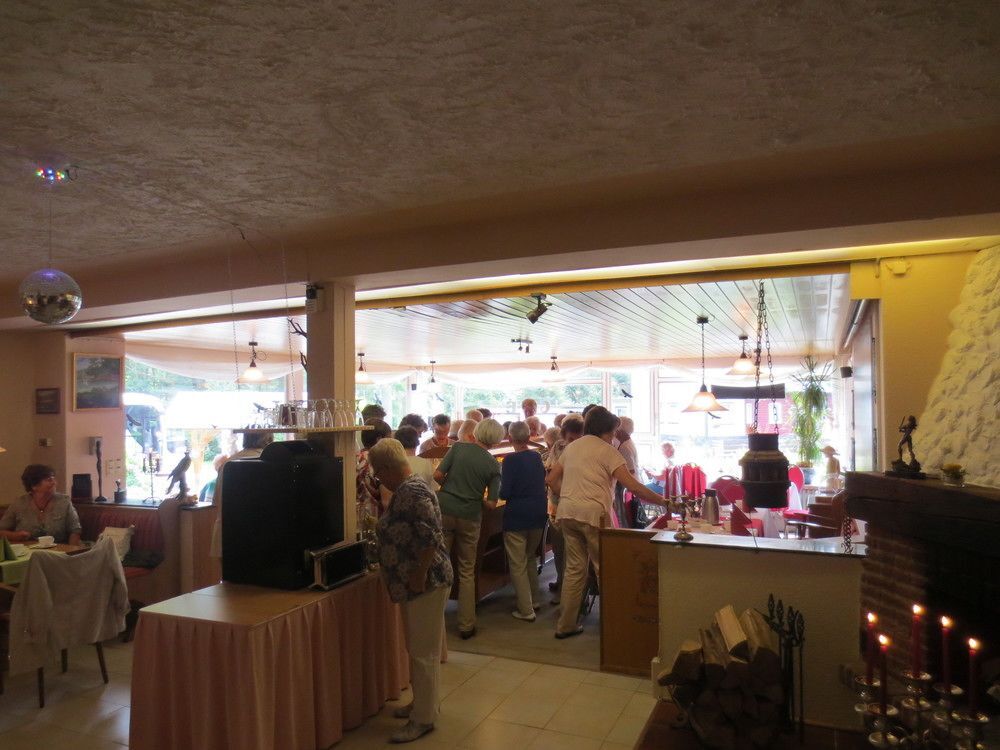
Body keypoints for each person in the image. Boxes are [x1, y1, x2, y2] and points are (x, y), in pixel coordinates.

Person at [547, 407, 668, 638]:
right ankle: (613, 627)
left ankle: (566, 625)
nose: (613, 437)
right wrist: (663, 501)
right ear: (605, 430)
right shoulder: (609, 452)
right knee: (606, 568)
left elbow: (551, 479)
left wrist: (571, 495)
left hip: (567, 512)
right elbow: (633, 486)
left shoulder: (572, 447)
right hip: (594, 515)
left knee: (574, 571)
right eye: (612, 432)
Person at [369, 439, 453, 744]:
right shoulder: (410, 487)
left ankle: (423, 719)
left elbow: (430, 538)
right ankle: (423, 704)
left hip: (426, 582)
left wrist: (418, 575)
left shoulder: (412, 491)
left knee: (422, 653)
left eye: (379, 473)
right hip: (418, 583)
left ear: (388, 467)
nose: (380, 479)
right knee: (419, 649)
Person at [434, 418, 503, 639]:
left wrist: (448, 489)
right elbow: (491, 504)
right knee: (466, 570)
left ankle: (434, 620)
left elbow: (437, 475)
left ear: (478, 432)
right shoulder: (493, 465)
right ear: (496, 440)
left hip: (445, 510)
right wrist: (475, 497)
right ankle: (466, 624)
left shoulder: (458, 448)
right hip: (470, 516)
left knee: (440, 564)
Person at [499, 421, 548, 622]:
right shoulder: (536, 457)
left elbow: (504, 492)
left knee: (517, 563)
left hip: (517, 515)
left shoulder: (509, 461)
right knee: (530, 558)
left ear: (510, 438)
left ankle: (526, 609)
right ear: (529, 437)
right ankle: (534, 600)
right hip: (538, 512)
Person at [210, 431, 272, 559]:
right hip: (258, 537)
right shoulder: (269, 462)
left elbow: (217, 501)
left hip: (225, 535)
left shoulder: (227, 464)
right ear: (269, 438)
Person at [544, 414, 584, 603]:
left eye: (577, 438)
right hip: (557, 505)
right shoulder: (558, 447)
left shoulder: (586, 450)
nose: (572, 443)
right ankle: (562, 584)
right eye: (570, 438)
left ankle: (572, 593)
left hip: (574, 505)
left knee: (573, 552)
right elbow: (550, 474)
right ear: (563, 436)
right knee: (559, 549)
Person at [1, 464, 82, 545]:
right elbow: (1, 531)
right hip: (27, 550)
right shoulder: (19, 504)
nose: (54, 483)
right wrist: (15, 536)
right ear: (34, 486)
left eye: (54, 479)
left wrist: (72, 550)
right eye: (49, 480)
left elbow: (75, 530)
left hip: (59, 550)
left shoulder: (64, 501)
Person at [356, 418, 393, 520]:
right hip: (376, 518)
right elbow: (386, 502)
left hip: (355, 515)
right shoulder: (380, 461)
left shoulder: (356, 457)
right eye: (389, 439)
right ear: (379, 439)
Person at [613, 416, 638, 527]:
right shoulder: (628, 443)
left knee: (623, 514)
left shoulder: (624, 446)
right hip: (628, 486)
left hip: (625, 486)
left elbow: (630, 471)